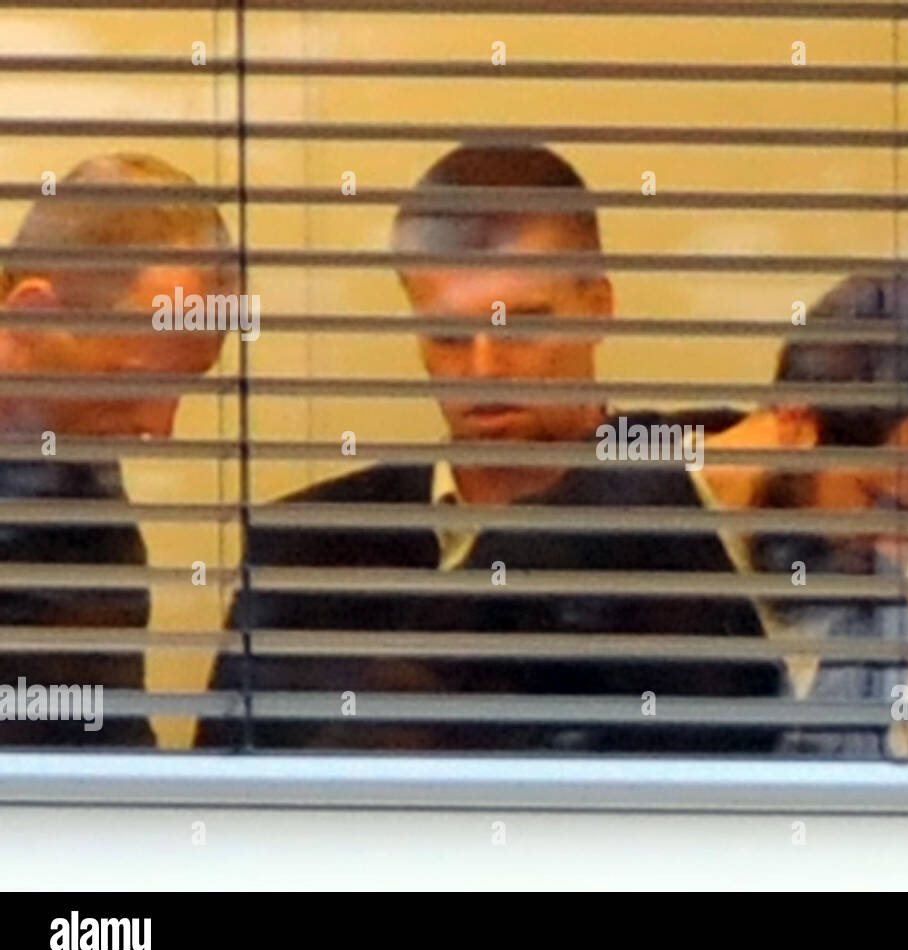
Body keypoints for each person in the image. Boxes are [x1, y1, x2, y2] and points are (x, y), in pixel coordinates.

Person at [197, 145, 778, 752]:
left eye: (521, 327)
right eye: (448, 336)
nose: (485, 368)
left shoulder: (712, 483)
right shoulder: (307, 553)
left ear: (598, 308)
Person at [696, 275, 908, 758]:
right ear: (796, 419)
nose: (899, 553)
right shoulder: (599, 535)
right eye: (883, 504)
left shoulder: (879, 617)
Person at [0, 152, 236, 747]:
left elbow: (93, 733)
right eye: (137, 383)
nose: (162, 426)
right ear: (31, 318)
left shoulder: (74, 482)